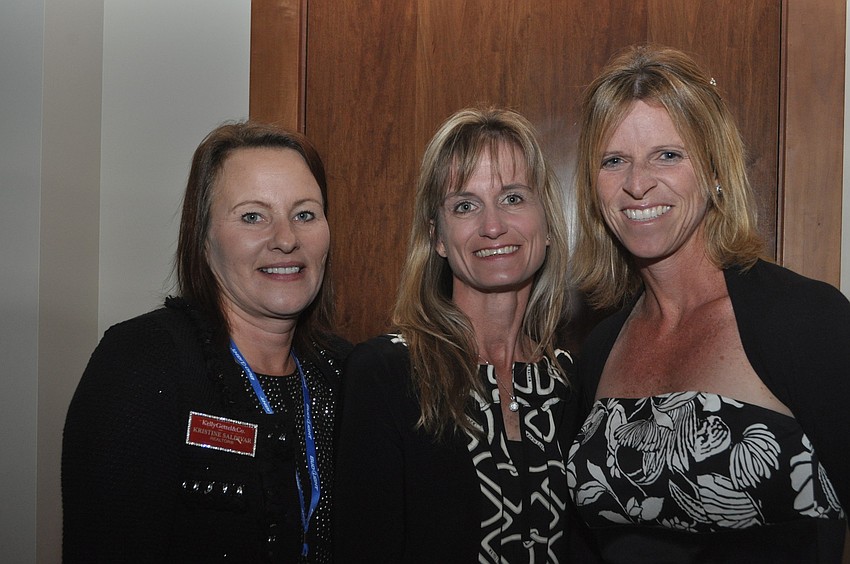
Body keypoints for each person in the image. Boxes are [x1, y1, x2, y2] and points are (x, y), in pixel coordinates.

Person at [566, 44, 850, 563]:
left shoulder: (808, 321)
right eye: (614, 161)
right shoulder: (599, 349)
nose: (636, 183)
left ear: (716, 170)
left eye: (668, 155)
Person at [62, 121, 351, 563]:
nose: (286, 239)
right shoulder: (141, 362)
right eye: (253, 216)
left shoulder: (349, 374)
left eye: (305, 214)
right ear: (203, 237)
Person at [334, 107, 579, 562]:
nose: (492, 226)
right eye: (465, 206)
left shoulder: (573, 385)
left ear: (546, 222)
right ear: (438, 237)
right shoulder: (387, 375)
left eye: (513, 198)